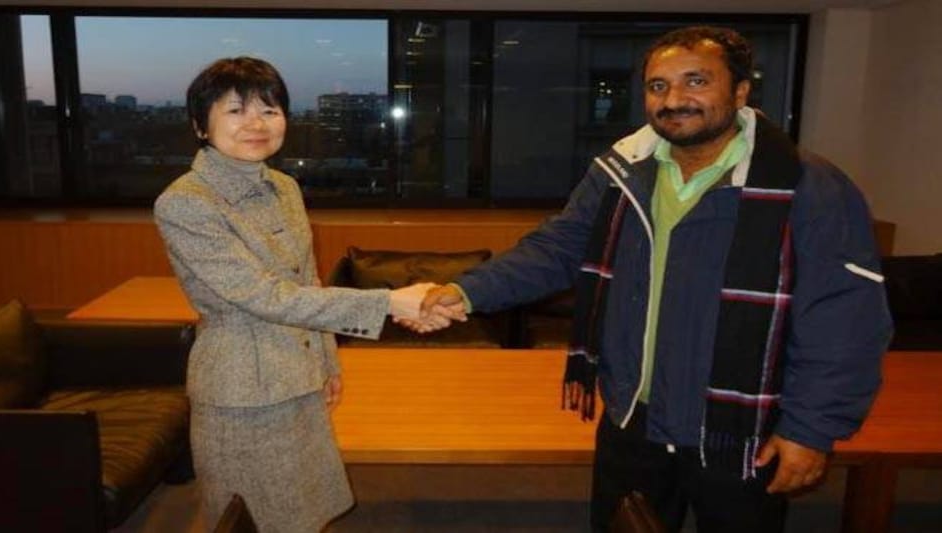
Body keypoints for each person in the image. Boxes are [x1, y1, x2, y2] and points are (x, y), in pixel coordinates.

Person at [418, 26, 892, 532]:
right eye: (658, 86)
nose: (674, 99)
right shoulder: (624, 172)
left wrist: (811, 429)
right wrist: (465, 291)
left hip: (739, 431)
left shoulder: (807, 186)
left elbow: (845, 320)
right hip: (632, 418)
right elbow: (557, 248)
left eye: (695, 81)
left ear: (740, 91)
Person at [154, 57, 458, 532]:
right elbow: (264, 295)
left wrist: (326, 361)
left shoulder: (284, 187)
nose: (257, 124)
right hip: (243, 392)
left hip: (299, 377)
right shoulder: (187, 203)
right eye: (236, 111)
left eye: (270, 110)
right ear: (200, 125)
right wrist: (388, 301)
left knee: (306, 511)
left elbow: (306, 282)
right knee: (251, 519)